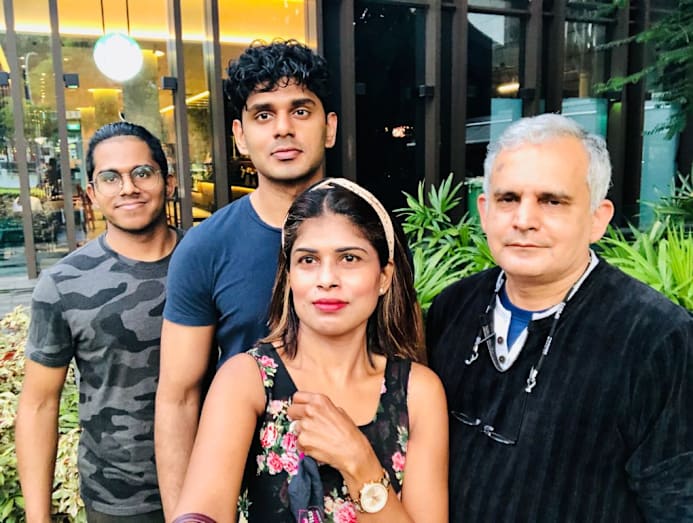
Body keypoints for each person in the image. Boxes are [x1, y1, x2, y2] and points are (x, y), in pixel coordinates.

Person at [427, 113, 693, 522]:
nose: (524, 220)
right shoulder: (453, 308)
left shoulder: (657, 338)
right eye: (508, 198)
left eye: (552, 201)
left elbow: (677, 504)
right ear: (484, 210)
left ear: (598, 218)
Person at [172, 178, 448, 523]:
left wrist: (358, 462)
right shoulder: (247, 380)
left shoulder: (418, 393)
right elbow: (203, 508)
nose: (326, 279)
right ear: (289, 275)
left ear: (384, 276)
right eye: (308, 260)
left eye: (349, 258)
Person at [156, 39, 338, 516]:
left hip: (364, 487)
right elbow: (178, 398)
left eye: (301, 110)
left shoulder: (373, 237)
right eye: (263, 114)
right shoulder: (206, 249)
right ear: (240, 135)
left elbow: (403, 367)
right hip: (246, 497)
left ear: (329, 127)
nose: (283, 128)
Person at [16, 121, 180, 523]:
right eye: (111, 177)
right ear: (92, 193)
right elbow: (39, 404)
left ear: (169, 182)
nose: (128, 188)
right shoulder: (63, 284)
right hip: (119, 500)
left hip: (218, 483)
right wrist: (38, 517)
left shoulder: (208, 262)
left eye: (142, 172)